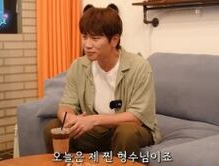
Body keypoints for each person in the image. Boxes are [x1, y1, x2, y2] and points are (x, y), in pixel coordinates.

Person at [44, 6, 161, 156]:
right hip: (97, 131)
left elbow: (137, 117)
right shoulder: (79, 66)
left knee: (126, 132)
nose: (87, 45)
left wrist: (94, 120)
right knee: (53, 128)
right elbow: (66, 104)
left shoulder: (139, 66)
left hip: (130, 128)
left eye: (95, 38)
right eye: (84, 37)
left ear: (114, 40)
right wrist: (69, 118)